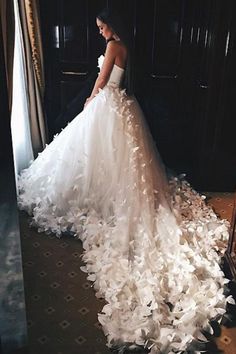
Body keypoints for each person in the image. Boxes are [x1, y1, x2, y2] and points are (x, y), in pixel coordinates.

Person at [18, 8, 233, 354]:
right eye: (100, 29)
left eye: (102, 28)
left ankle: (96, 199)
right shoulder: (123, 46)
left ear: (111, 26)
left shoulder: (116, 46)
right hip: (121, 105)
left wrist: (90, 99)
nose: (101, 33)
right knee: (106, 161)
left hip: (109, 104)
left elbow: (103, 81)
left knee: (98, 159)